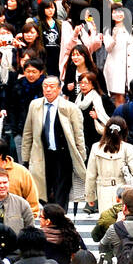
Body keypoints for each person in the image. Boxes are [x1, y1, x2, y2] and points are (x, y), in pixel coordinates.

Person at [21, 75, 87, 209]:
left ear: (58, 89)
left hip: (64, 156)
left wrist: (81, 157)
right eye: (45, 86)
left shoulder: (70, 108)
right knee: (43, 190)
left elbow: (78, 136)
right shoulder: (35, 105)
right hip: (42, 154)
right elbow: (28, 133)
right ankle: (49, 216)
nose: (48, 90)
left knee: (61, 191)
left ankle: (59, 219)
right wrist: (26, 158)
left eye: (52, 87)